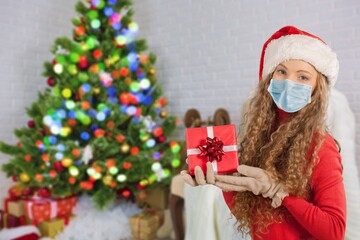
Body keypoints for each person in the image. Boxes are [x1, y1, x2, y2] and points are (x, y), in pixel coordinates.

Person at [181, 26, 346, 240]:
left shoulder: (320, 146)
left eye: (303, 77)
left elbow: (335, 230)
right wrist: (223, 178)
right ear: (269, 78)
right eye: (281, 71)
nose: (289, 83)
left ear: (317, 88)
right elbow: (252, 216)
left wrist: (280, 193)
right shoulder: (260, 135)